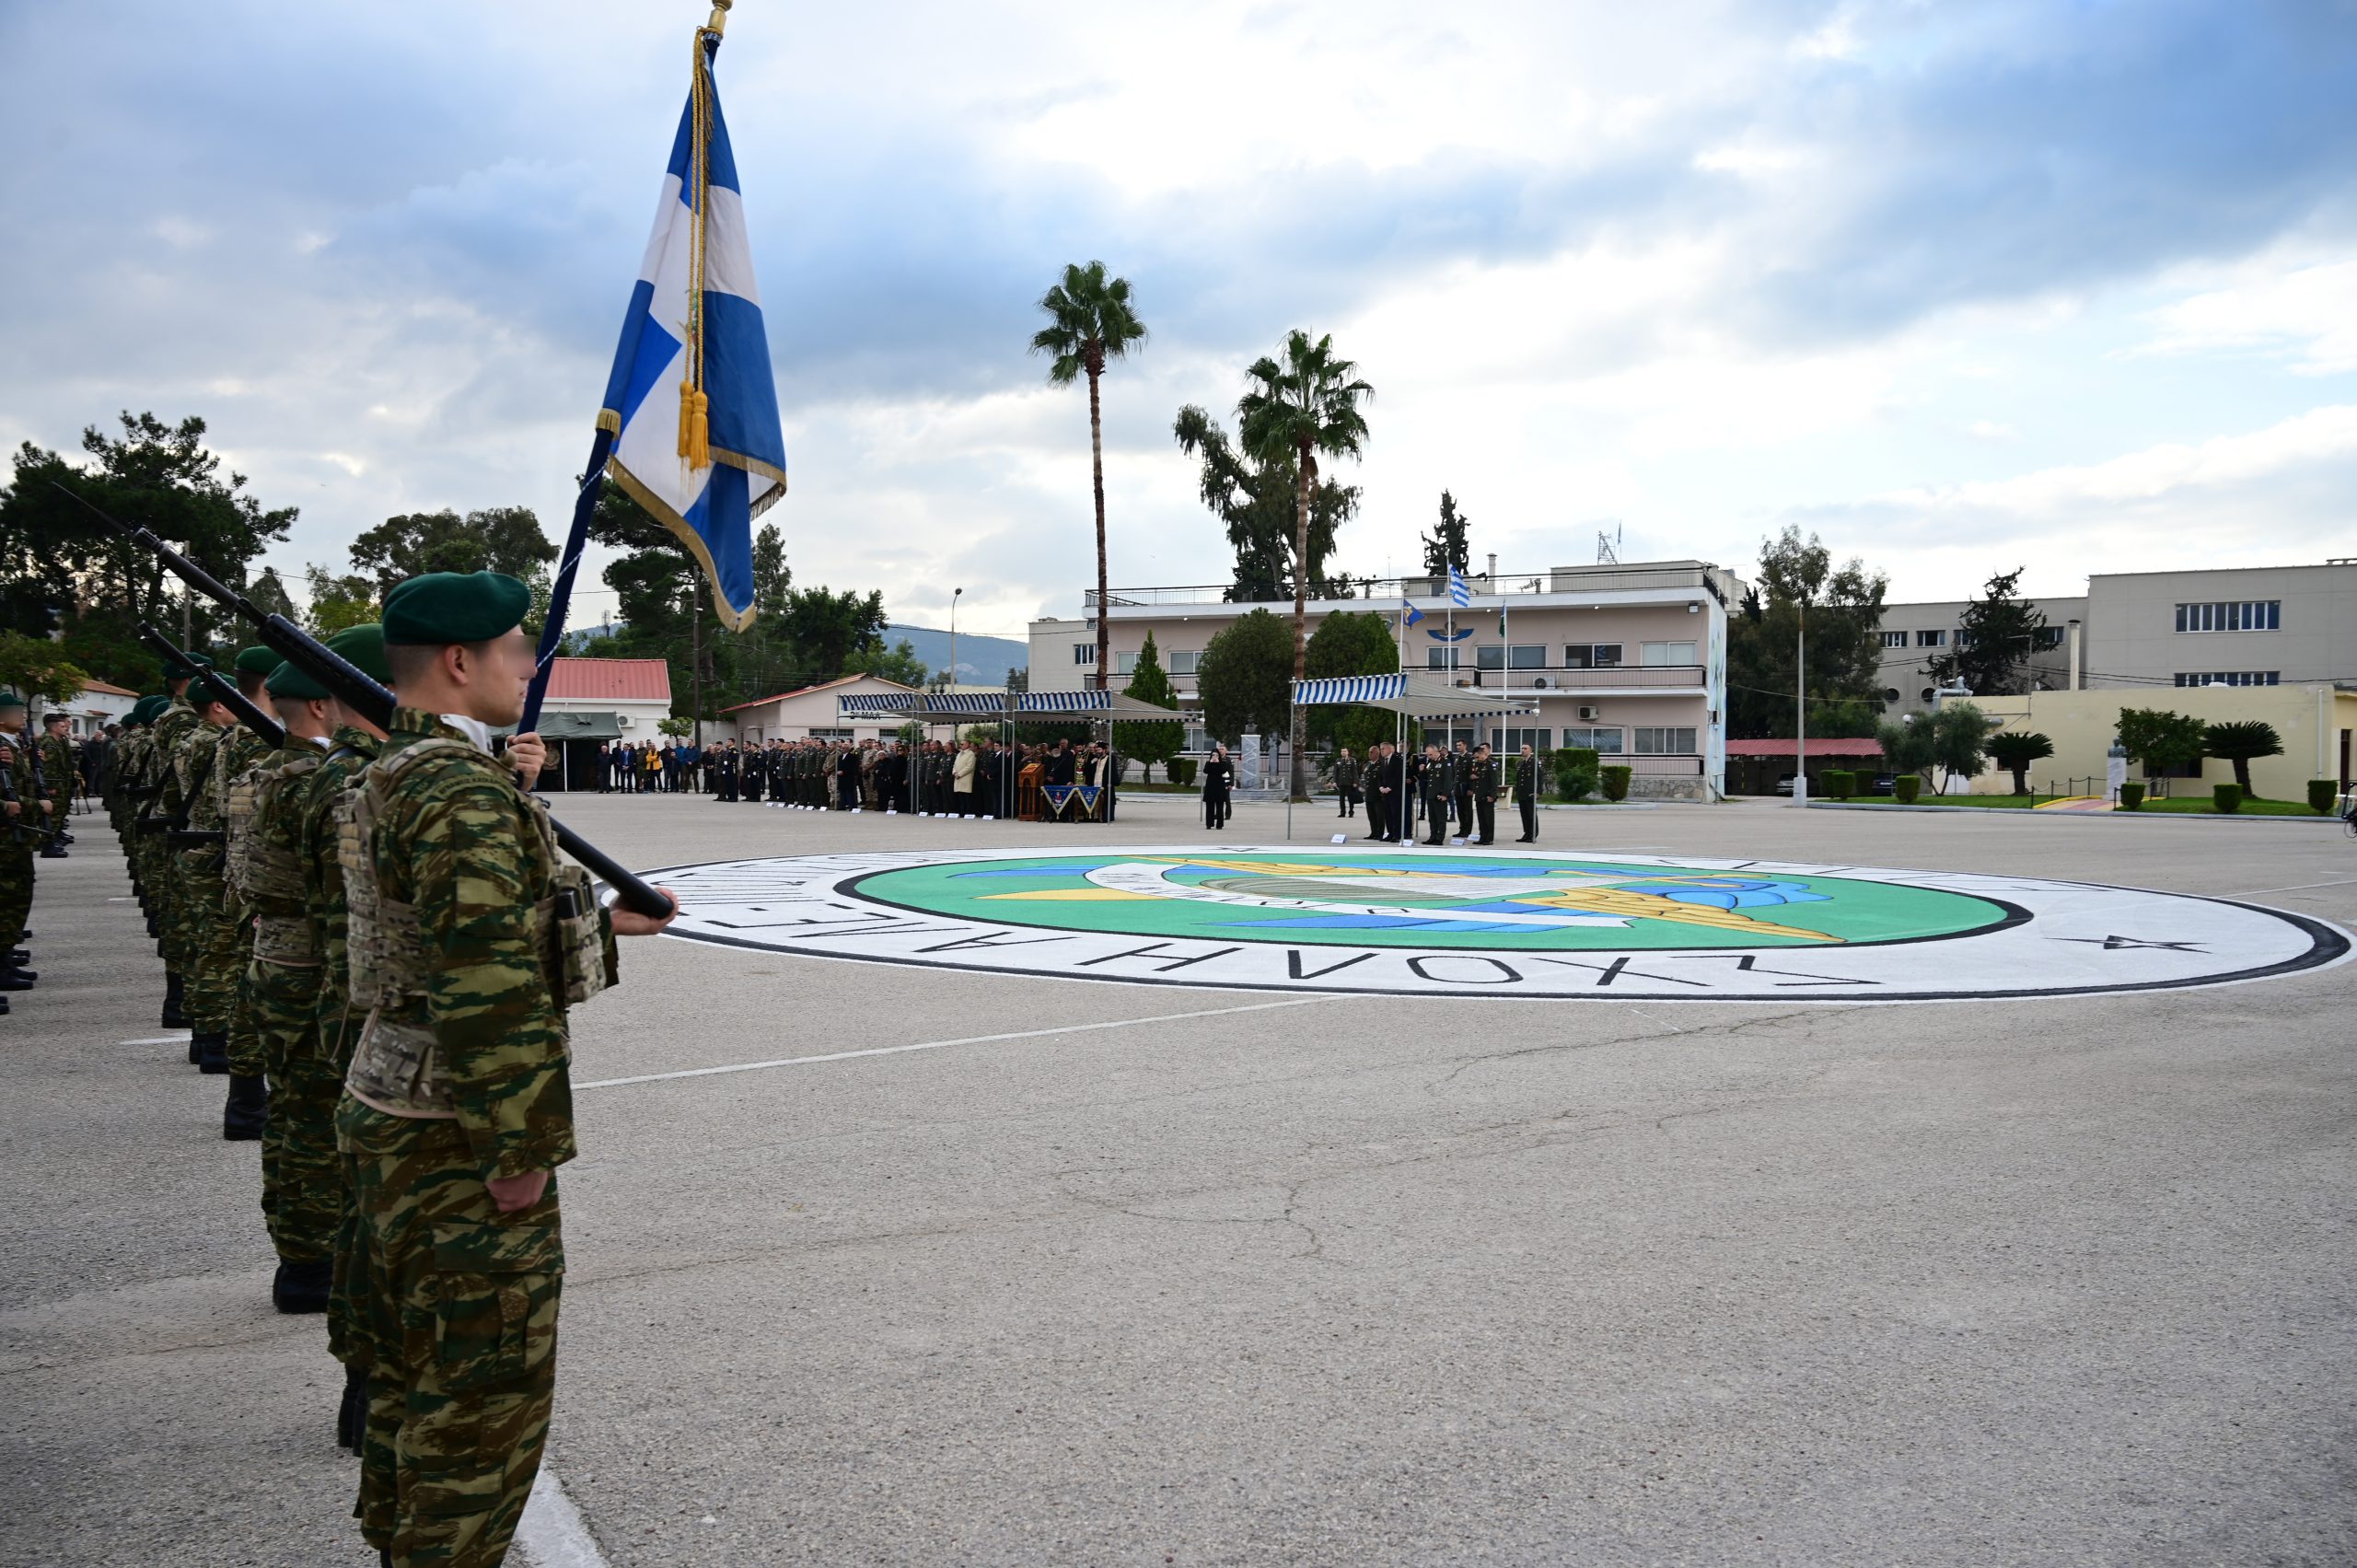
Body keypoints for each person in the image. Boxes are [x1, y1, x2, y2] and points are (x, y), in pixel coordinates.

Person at [338, 572, 675, 1567]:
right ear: (459, 661)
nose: (528, 668)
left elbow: (456, 933)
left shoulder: (403, 770)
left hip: (399, 1102)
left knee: (414, 1370)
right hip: (456, 1134)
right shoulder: (459, 792)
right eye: (516, 650)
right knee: (482, 1396)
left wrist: (600, 925)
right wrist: (518, 1151)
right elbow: (484, 983)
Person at [1368, 739, 1404, 843]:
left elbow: (1398, 776)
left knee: (1395, 814)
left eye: (1383, 749)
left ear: (1389, 749)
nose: (1381, 751)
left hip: (1394, 792)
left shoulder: (1397, 760)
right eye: (1381, 749)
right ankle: (1390, 833)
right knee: (1388, 814)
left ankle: (1397, 835)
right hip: (1385, 793)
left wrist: (1389, 787)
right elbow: (1380, 777)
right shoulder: (1383, 761)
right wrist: (1381, 787)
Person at [1468, 742, 1500, 845]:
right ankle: (1482, 837)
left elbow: (1494, 782)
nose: (1476, 759)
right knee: (1481, 818)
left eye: (1478, 757)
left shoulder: (1491, 765)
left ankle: (1489, 838)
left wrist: (1492, 796)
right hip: (1479, 795)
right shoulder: (1478, 765)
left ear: (1483, 754)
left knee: (1488, 818)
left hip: (1487, 796)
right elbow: (1478, 780)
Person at [1420, 743, 1451, 845]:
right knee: (1432, 818)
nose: (1429, 757)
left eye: (1430, 754)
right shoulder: (1431, 762)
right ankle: (1432, 837)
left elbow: (1448, 780)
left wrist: (1445, 794)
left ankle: (1439, 838)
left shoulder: (1445, 762)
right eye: (1428, 755)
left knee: (1441, 818)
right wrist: (1422, 770)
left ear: (1436, 752)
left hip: (1439, 794)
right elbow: (1427, 777)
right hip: (1431, 794)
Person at [1202, 743, 1234, 831]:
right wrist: (1211, 762)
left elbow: (1224, 771)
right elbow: (1205, 771)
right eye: (1213, 755)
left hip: (1220, 786)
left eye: (1216, 755)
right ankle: (1209, 824)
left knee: (1220, 806)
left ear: (1218, 755)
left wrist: (1218, 762)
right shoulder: (1208, 763)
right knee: (1209, 806)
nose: (1215, 756)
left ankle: (1219, 824)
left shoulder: (1223, 763)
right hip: (1210, 786)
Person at [1513, 743, 1539, 842]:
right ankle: (1527, 833)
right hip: (1522, 793)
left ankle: (1533, 834)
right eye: (1522, 748)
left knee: (1531, 815)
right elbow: (1519, 779)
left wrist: (1538, 792)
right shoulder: (1521, 763)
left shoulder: (1534, 762)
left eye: (1525, 748)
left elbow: (1540, 778)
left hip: (1530, 793)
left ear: (1530, 751)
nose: (1523, 750)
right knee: (1524, 815)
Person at [1332, 747, 1360, 819]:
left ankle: (1351, 812)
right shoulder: (1338, 760)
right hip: (1341, 782)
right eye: (1342, 751)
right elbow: (1335, 772)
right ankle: (1342, 812)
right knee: (1341, 799)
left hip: (1349, 782)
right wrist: (1334, 781)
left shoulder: (1352, 760)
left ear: (1348, 752)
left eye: (1344, 751)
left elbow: (1355, 772)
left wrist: (1355, 782)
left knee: (1351, 798)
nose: (1343, 752)